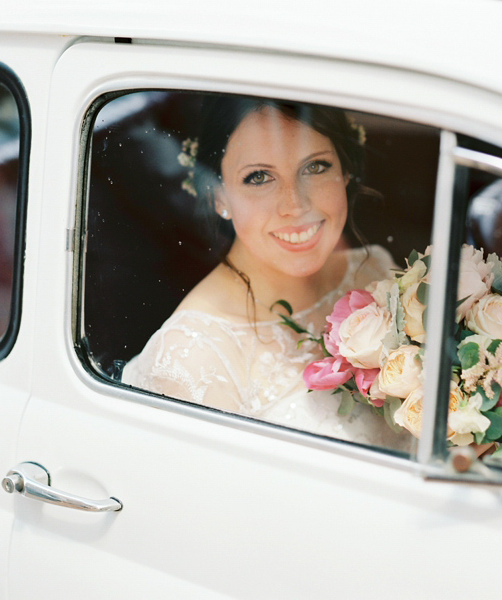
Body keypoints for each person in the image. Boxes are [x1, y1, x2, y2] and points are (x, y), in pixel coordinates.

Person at [118, 97, 405, 446]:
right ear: (218, 195)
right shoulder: (192, 357)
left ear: (345, 172)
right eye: (258, 177)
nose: (294, 204)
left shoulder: (374, 270)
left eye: (315, 167)